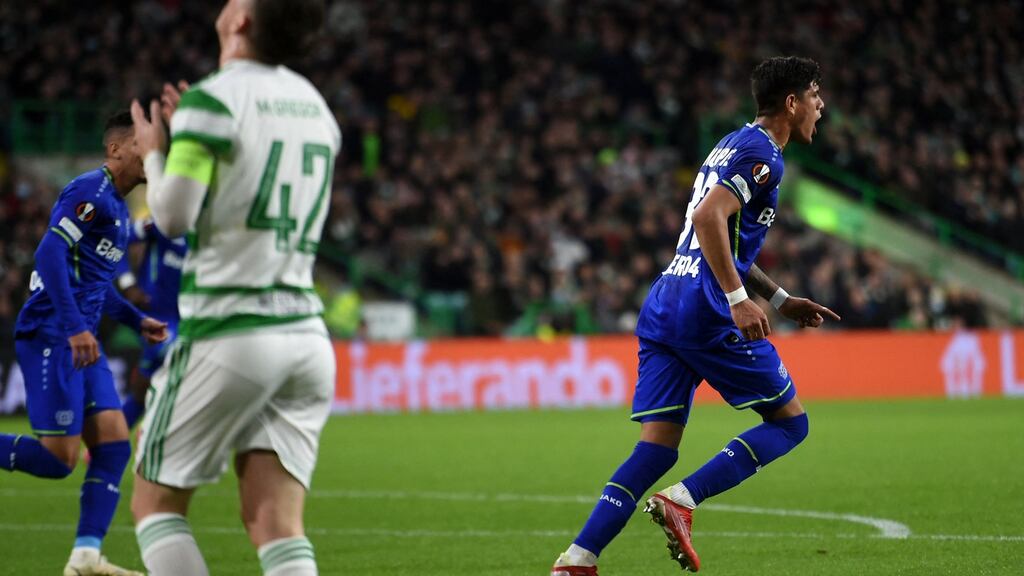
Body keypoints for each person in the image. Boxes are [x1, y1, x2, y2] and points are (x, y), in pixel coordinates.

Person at [551, 56, 838, 575]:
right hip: (706, 310)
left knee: (657, 448)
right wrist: (736, 299)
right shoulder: (764, 155)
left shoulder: (731, 142)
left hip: (667, 301)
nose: (822, 107)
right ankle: (683, 500)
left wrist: (778, 299)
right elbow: (709, 218)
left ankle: (578, 559)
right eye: (816, 96)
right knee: (792, 424)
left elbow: (721, 239)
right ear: (792, 103)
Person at [129, 0, 340, 574]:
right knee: (275, 522)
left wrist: (155, 154)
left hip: (232, 331)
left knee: (155, 503)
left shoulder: (212, 101)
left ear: (241, 22)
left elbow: (171, 216)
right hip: (305, 338)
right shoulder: (316, 107)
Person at [0, 111, 168, 576]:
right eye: (141, 143)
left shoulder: (117, 211)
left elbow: (97, 286)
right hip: (54, 334)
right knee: (59, 461)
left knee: (114, 444)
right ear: (116, 149)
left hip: (80, 338)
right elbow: (49, 252)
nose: (151, 152)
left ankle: (86, 557)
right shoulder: (90, 192)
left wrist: (137, 321)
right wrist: (74, 328)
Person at [115, 216, 187, 431]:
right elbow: (120, 238)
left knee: (141, 389)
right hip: (158, 317)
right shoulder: (164, 221)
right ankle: (143, 434)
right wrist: (128, 284)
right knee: (150, 382)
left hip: (190, 315)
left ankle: (110, 443)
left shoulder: (210, 229)